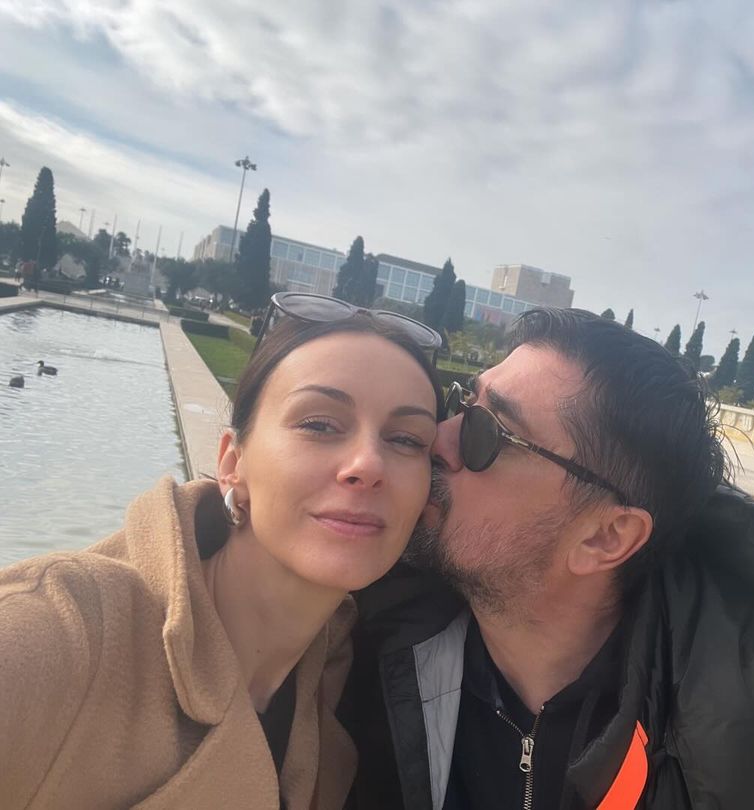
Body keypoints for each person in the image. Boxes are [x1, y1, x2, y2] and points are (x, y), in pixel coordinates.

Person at [344, 308, 754, 809]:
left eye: (486, 432)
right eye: (463, 403)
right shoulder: (364, 636)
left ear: (606, 538)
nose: (438, 439)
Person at [0, 292, 444, 809]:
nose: (367, 464)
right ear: (232, 463)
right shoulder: (63, 633)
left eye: (407, 440)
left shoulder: (350, 675)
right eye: (319, 424)